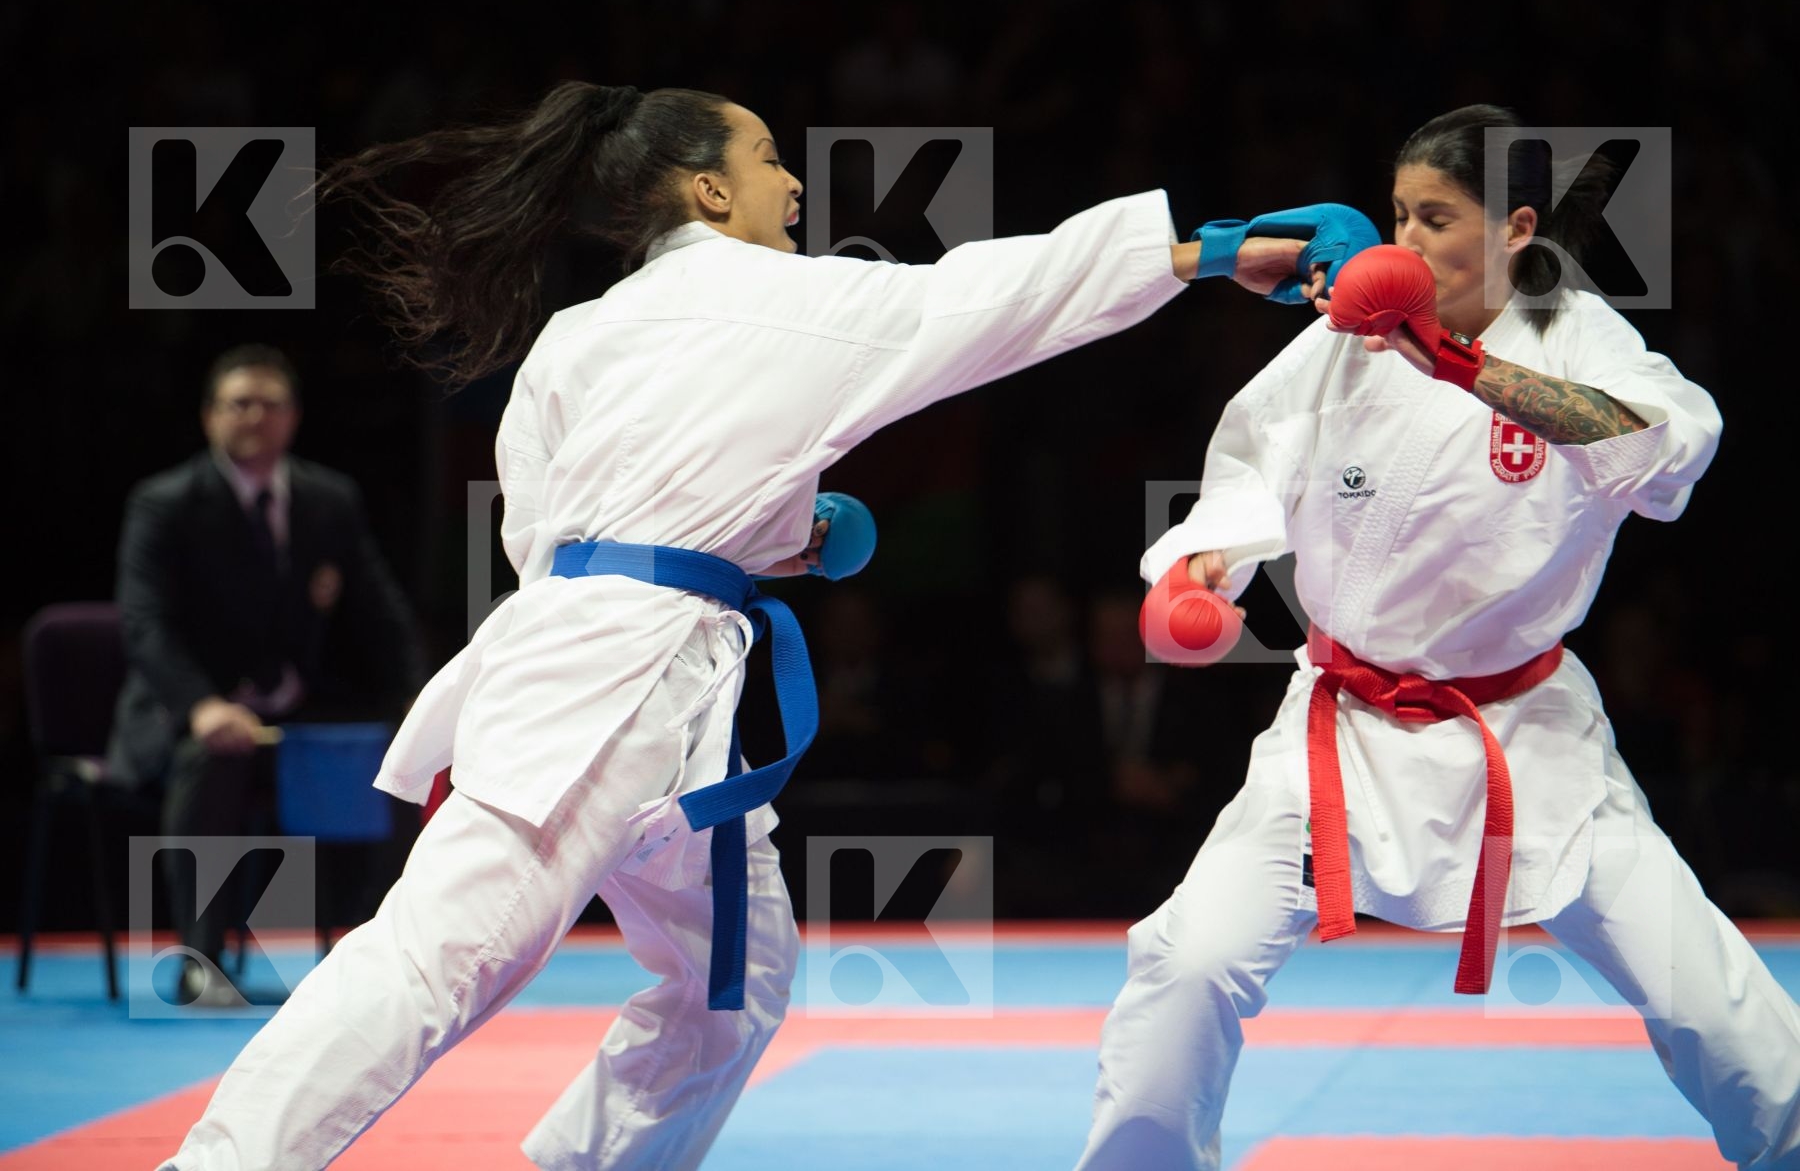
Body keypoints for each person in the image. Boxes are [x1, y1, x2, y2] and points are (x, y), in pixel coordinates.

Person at [158, 81, 1373, 1170]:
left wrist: (767, 534)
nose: (794, 182)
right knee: (436, 958)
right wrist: (1209, 251)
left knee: (728, 988)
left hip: (635, 679)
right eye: (770, 157)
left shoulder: (574, 338)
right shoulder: (791, 301)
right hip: (609, 685)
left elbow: (548, 532)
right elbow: (1001, 294)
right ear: (707, 187)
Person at [1079, 105, 1800, 1170]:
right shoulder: (1350, 332)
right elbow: (1252, 457)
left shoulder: (1575, 335)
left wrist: (1462, 368)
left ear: (1516, 228)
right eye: (1397, 214)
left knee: (1717, 1003)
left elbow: (1666, 451)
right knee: (1188, 960)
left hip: (1529, 736)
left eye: (1434, 218)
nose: (1403, 243)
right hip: (1340, 728)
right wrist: (1203, 568)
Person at [111, 344, 423, 1007]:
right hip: (186, 716)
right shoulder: (164, 503)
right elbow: (145, 624)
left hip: (292, 714)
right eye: (238, 404)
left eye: (269, 404)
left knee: (397, 753)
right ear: (209, 418)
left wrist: (418, 697)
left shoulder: (328, 500)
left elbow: (379, 610)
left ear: (293, 417)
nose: (254, 417)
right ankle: (200, 961)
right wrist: (201, 705)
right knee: (214, 755)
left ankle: (383, 951)